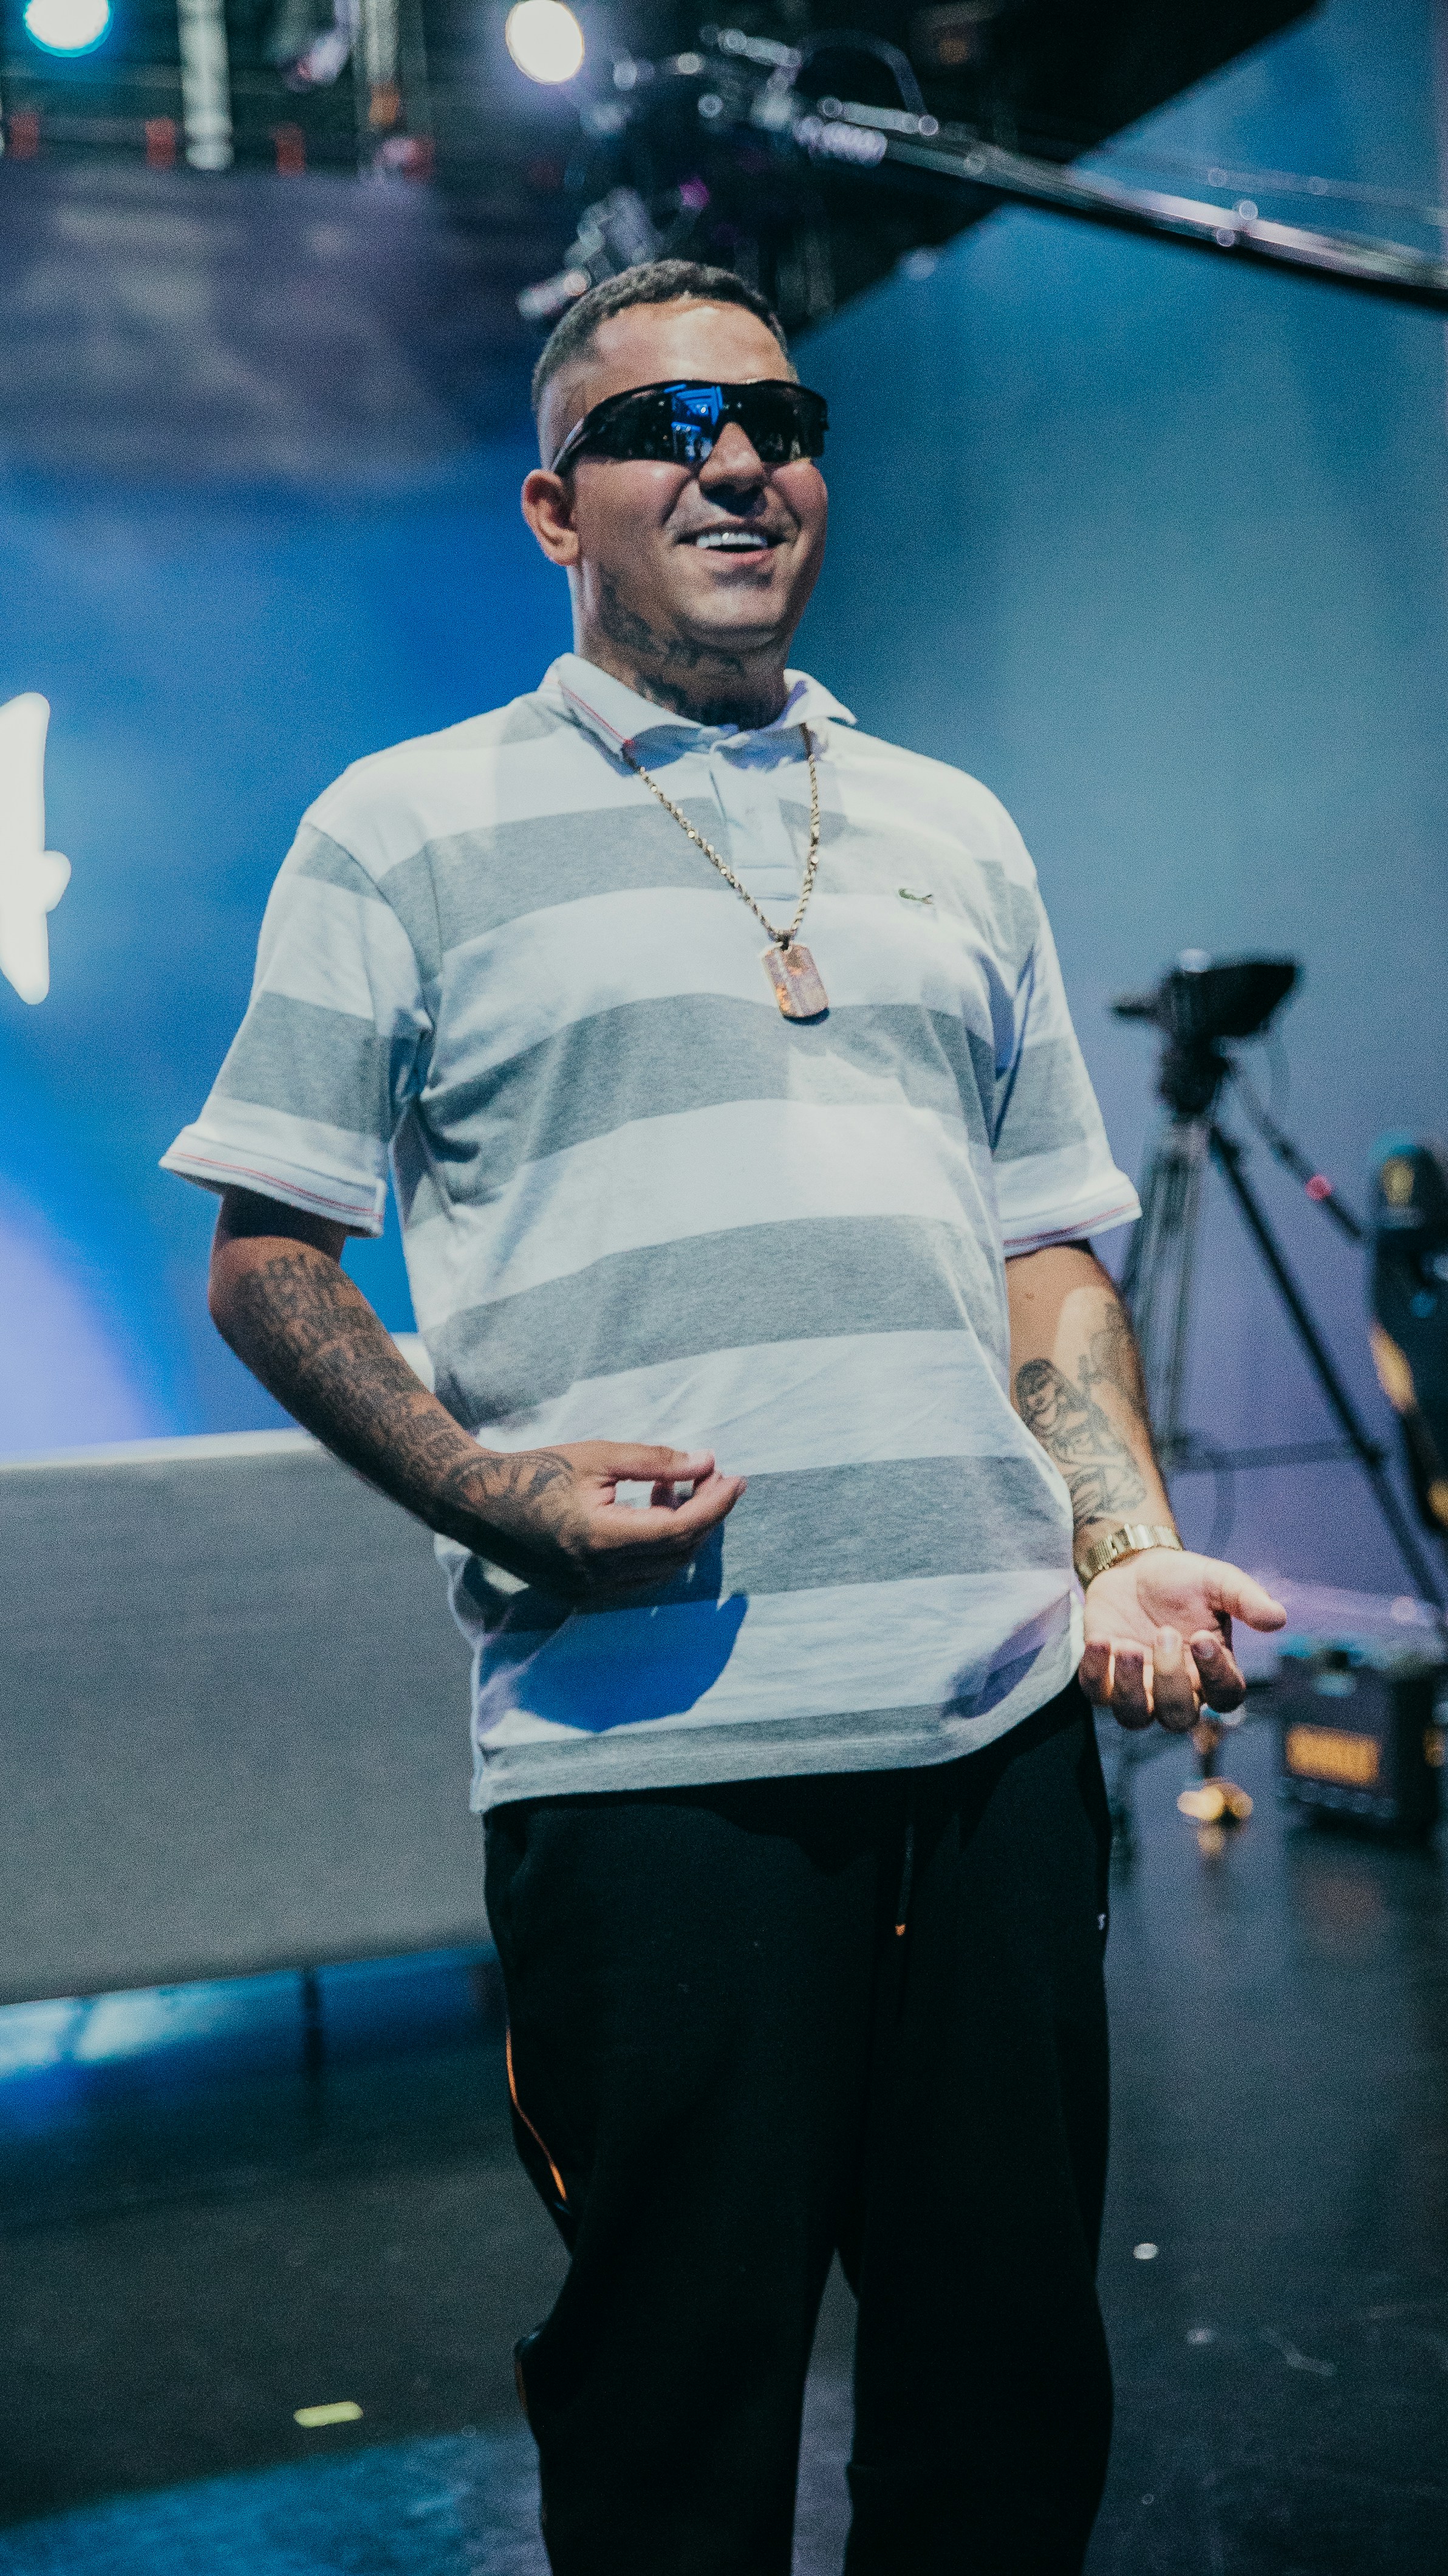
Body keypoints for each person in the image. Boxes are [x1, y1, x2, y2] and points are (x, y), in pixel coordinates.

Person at [165, 259, 1285, 2575]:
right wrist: (493, 1490)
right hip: (649, 1757)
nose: (739, 463)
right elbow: (270, 1256)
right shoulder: (400, 825)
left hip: (992, 1740)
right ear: (551, 506)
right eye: (666, 428)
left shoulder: (953, 826)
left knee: (1007, 2398)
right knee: (675, 2412)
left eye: (779, 421)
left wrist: (1120, 1542)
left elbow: (1049, 1245)